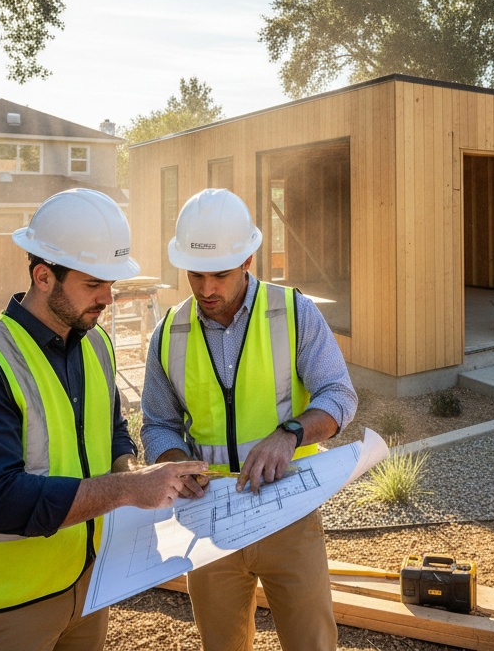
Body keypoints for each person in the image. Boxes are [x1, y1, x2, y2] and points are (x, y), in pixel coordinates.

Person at [0, 188, 206, 651]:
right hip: (5, 606)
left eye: (111, 284)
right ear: (43, 277)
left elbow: (112, 429)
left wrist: (130, 471)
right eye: (94, 285)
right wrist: (128, 489)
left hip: (87, 584)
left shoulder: (94, 343)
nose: (108, 299)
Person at [141, 188, 358, 651]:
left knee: (311, 643)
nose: (205, 289)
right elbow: (157, 423)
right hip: (210, 519)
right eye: (195, 274)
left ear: (248, 260)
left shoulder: (294, 312)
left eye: (219, 274)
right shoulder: (168, 334)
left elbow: (339, 395)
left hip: (290, 513)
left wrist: (290, 435)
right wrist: (177, 462)